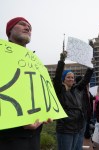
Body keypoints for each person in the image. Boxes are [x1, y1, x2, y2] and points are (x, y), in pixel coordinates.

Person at [0, 17, 52, 150]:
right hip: (8, 139)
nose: (28, 28)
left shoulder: (36, 64)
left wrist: (45, 113)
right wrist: (17, 122)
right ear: (9, 30)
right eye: (22, 24)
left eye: (30, 27)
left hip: (34, 137)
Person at [53, 51, 94, 150]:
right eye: (68, 77)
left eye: (72, 77)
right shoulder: (60, 89)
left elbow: (85, 80)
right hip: (65, 129)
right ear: (64, 79)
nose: (71, 79)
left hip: (77, 128)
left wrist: (91, 67)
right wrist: (62, 61)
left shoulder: (77, 89)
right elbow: (57, 77)